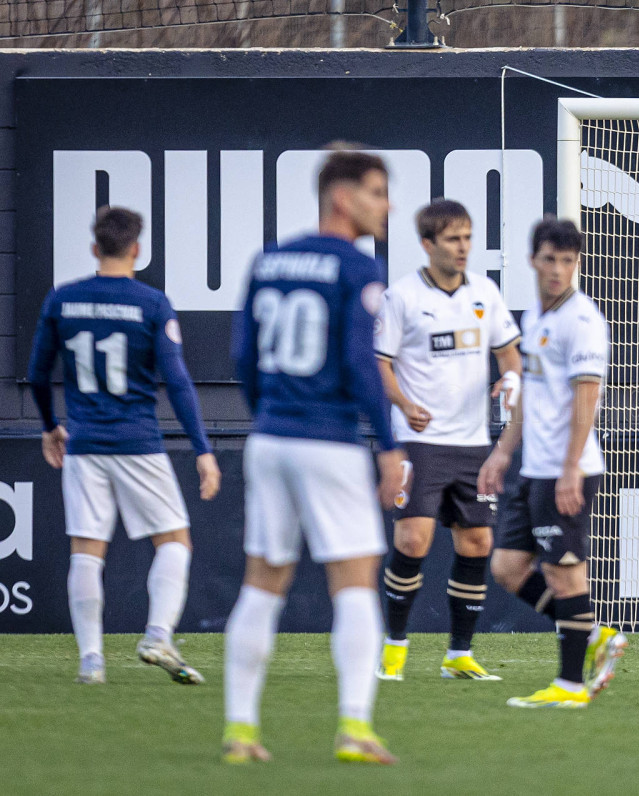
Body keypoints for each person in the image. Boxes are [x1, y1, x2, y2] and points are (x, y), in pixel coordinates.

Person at [223, 147, 410, 765]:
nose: (387, 206)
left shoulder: (270, 259)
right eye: (377, 192)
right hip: (328, 441)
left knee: (262, 582)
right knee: (355, 582)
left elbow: (243, 356)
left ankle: (240, 732)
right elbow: (360, 363)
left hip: (270, 438)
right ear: (342, 197)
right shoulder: (356, 266)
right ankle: (354, 728)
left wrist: (270, 414)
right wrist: (388, 446)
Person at [28, 206, 221, 686]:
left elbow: (37, 373)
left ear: (95, 248)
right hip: (138, 442)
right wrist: (202, 449)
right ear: (136, 249)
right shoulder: (151, 303)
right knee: (174, 541)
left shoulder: (62, 300)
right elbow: (177, 382)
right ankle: (157, 635)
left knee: (86, 550)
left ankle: (91, 661)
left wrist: (50, 426)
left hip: (85, 443)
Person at [478, 217, 628, 709]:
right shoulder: (535, 318)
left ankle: (569, 686)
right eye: (550, 259)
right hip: (534, 469)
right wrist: (504, 450)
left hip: (568, 470)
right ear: (533, 261)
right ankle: (593, 635)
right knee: (507, 568)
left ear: (576, 264)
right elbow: (530, 393)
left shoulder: (581, 321)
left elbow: (587, 400)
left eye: (568, 261)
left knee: (566, 575)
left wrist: (569, 469)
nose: (559, 269)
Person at [373, 199, 522, 683]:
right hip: (419, 440)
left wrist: (511, 380)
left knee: (477, 542)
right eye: (453, 239)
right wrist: (402, 403)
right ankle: (394, 649)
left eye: (467, 237)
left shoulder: (484, 292)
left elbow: (510, 354)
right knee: (413, 539)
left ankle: (459, 654)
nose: (463, 247)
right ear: (427, 243)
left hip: (472, 442)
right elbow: (380, 362)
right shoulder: (402, 296)